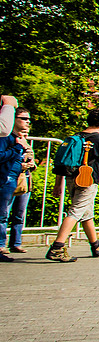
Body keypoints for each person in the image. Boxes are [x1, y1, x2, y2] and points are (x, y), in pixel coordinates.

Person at [48, 106, 99, 262]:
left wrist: (57, 184)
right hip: (88, 179)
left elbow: (62, 162)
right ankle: (57, 248)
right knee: (75, 211)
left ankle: (96, 246)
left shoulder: (75, 137)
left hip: (71, 178)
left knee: (86, 213)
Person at [0, 108, 35, 261]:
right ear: (13, 119)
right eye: (24, 118)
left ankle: (15, 242)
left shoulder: (21, 139)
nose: (28, 121)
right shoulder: (5, 137)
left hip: (19, 179)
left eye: (29, 119)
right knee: (2, 215)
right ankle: (1, 246)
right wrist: (18, 147)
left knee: (17, 214)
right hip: (6, 178)